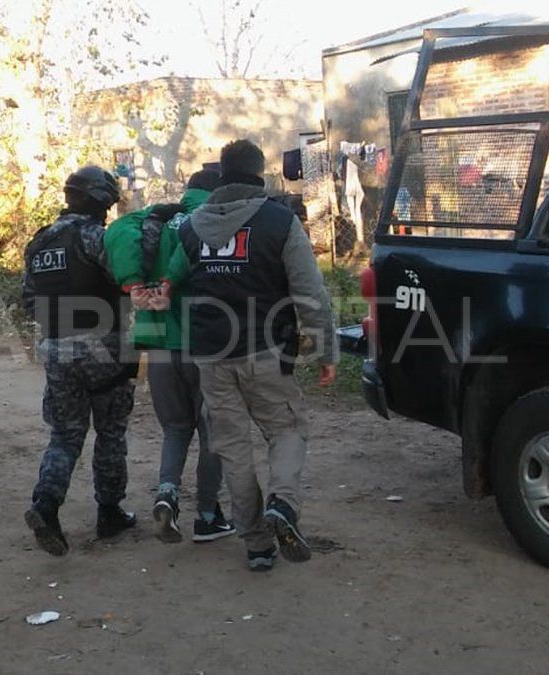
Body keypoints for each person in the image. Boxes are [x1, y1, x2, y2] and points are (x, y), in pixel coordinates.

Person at [163, 140, 339, 572]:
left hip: (210, 356)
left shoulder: (190, 227)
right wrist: (326, 350)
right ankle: (282, 504)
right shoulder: (278, 222)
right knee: (287, 429)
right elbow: (309, 291)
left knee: (233, 448)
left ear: (222, 175)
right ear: (260, 174)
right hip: (266, 350)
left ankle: (258, 545)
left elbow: (172, 285)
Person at [104, 169, 236, 544]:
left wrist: (131, 283)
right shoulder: (214, 219)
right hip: (206, 344)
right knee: (213, 433)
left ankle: (167, 494)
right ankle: (209, 515)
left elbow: (116, 231)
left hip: (159, 341)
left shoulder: (155, 219)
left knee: (176, 428)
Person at [21, 165, 138, 556]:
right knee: (110, 431)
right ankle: (109, 512)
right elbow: (127, 279)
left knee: (65, 435)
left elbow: (28, 300)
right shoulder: (95, 238)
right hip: (104, 348)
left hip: (56, 349)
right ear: (100, 200)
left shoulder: (38, 244)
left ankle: (46, 505)